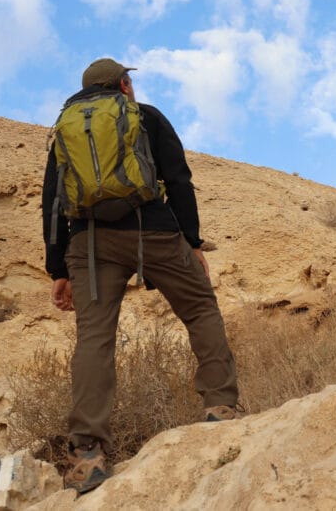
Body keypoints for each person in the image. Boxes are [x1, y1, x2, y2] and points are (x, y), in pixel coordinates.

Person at [42, 58, 239, 494]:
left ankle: (87, 456)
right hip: (154, 230)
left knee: (94, 340)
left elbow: (53, 202)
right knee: (200, 309)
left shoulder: (65, 129)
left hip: (90, 243)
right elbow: (179, 179)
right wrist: (191, 240)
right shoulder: (146, 117)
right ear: (124, 85)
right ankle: (219, 409)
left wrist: (58, 268)